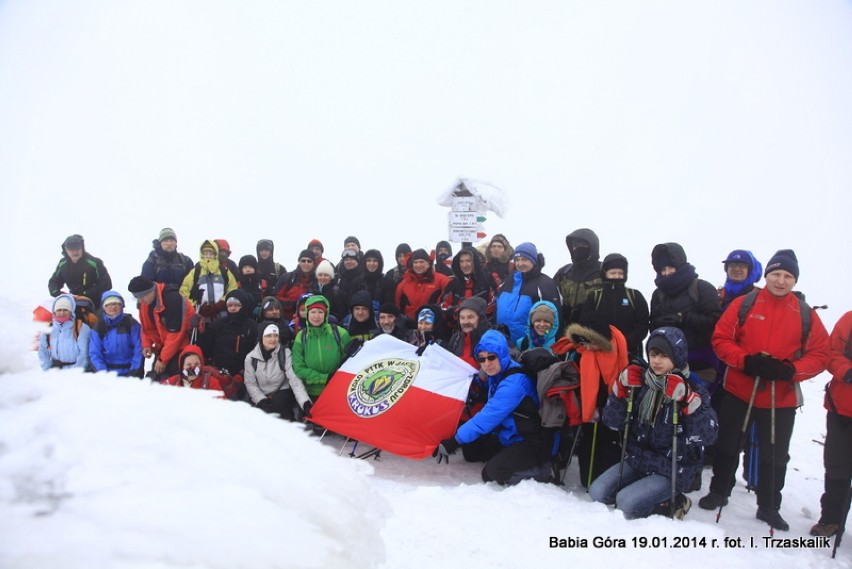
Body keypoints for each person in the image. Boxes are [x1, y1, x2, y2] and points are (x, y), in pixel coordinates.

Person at [698, 249, 830, 531]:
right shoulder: (745, 303)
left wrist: (790, 371)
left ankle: (769, 505)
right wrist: (745, 360)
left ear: (794, 280)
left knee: (775, 453)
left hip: (780, 396)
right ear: (767, 275)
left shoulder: (804, 313)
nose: (781, 281)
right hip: (740, 388)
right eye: (776, 274)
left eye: (787, 276)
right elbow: (721, 338)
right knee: (728, 443)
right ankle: (719, 490)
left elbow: (821, 354)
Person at [589, 327, 718, 519]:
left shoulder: (692, 388)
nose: (656, 361)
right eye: (653, 354)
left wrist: (689, 403)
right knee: (597, 492)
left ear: (678, 357)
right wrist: (619, 391)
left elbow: (709, 435)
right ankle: (647, 493)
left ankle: (675, 502)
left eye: (664, 356)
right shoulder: (640, 383)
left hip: (673, 467)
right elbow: (612, 421)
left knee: (626, 504)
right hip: (638, 459)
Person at [433, 329, 549, 486]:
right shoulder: (499, 372)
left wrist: (454, 441)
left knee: (491, 473)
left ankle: (543, 471)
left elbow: (487, 417)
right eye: (481, 359)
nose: (486, 364)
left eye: (491, 357)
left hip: (531, 441)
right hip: (510, 434)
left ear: (501, 354)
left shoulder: (514, 384)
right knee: (472, 452)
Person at [552, 311, 629, 488]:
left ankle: (606, 480)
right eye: (584, 342)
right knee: (588, 441)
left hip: (610, 402)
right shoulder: (582, 352)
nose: (587, 347)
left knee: (608, 443)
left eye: (592, 342)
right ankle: (589, 479)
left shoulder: (616, 345)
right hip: (587, 404)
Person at [649, 242, 722, 385]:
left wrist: (684, 318)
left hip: (701, 367)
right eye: (662, 269)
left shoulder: (702, 288)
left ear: (680, 265)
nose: (667, 272)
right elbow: (652, 326)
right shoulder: (658, 294)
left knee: (699, 405)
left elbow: (716, 322)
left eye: (671, 267)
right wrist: (662, 324)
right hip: (666, 367)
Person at [810, 310, 852, 537]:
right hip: (843, 408)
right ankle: (831, 519)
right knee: (837, 466)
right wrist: (847, 371)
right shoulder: (850, 319)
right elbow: (832, 352)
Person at [576, 253, 649, 358]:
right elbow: (585, 322)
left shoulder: (634, 296)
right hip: (601, 352)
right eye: (613, 273)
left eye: (620, 273)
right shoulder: (595, 296)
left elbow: (643, 324)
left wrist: (625, 342)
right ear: (605, 273)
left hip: (630, 353)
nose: (617, 276)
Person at [129, 275, 196, 381]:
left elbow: (176, 335)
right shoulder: (145, 302)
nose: (141, 301)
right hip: (165, 345)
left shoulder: (173, 299)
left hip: (183, 343)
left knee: (171, 376)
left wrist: (162, 359)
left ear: (151, 290)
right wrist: (147, 344)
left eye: (143, 296)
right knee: (156, 375)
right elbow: (147, 327)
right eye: (138, 297)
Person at [495, 241, 560, 344]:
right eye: (517, 260)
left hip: (530, 345)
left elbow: (554, 319)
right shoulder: (509, 280)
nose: (520, 264)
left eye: (524, 259)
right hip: (503, 342)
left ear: (533, 261)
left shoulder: (545, 284)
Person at [244, 322, 312, 421]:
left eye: (275, 335)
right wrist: (262, 401)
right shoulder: (251, 358)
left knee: (279, 403)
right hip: (261, 396)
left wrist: (305, 403)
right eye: (268, 336)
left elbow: (294, 380)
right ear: (261, 337)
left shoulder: (284, 353)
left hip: (281, 394)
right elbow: (250, 384)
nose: (273, 339)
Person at [291, 295, 351, 400]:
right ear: (307, 313)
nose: (316, 316)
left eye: (320, 312)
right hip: (311, 392)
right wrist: (324, 378)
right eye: (313, 312)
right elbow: (298, 367)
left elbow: (350, 359)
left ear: (326, 314)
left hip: (337, 389)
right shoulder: (301, 336)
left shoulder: (339, 333)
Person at [197, 289, 257, 379]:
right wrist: (201, 333)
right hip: (219, 373)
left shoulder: (252, 326)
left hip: (244, 374)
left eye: (237, 305)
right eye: (230, 305)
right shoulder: (218, 325)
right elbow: (205, 349)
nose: (233, 308)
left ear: (243, 306)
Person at [179, 240, 239, 322]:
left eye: (211, 253)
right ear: (202, 254)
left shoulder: (224, 271)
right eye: (205, 253)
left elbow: (233, 288)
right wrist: (194, 305)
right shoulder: (196, 271)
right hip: (200, 313)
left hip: (221, 312)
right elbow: (184, 290)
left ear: (215, 254)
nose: (208, 256)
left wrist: (222, 303)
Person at [553, 228, 602, 327]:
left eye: (583, 245)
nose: (578, 249)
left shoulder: (604, 271)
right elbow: (550, 300)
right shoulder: (563, 273)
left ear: (592, 247)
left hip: (596, 333)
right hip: (566, 332)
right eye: (575, 246)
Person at [48, 234, 112, 309]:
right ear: (66, 250)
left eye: (77, 249)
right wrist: (58, 293)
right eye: (71, 250)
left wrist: (86, 294)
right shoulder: (63, 264)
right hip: (73, 300)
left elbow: (107, 284)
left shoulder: (94, 262)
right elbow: (54, 281)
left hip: (94, 302)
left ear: (82, 248)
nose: (75, 252)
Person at [88, 291, 144, 377]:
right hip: (108, 375)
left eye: (116, 304)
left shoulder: (131, 323)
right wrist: (103, 374)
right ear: (104, 307)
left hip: (130, 373)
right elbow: (95, 353)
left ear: (122, 306)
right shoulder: (98, 327)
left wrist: (134, 371)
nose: (113, 307)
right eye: (109, 304)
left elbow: (139, 349)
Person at [441, 246, 497, 327]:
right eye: (461, 261)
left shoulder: (488, 279)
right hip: (458, 329)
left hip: (483, 328)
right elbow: (443, 306)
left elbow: (495, 303)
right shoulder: (453, 283)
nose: (464, 265)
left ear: (475, 261)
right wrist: (459, 312)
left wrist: (474, 313)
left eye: (468, 261)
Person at [38, 294, 92, 371]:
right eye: (59, 310)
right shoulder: (48, 329)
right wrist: (48, 370)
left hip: (76, 373)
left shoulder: (81, 328)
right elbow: (43, 351)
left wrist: (74, 372)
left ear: (71, 311)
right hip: (55, 371)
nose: (62, 313)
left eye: (65, 310)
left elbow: (85, 354)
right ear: (54, 312)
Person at [395, 248, 451, 320]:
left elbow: (450, 298)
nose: (418, 265)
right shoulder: (404, 283)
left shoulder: (441, 280)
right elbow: (398, 305)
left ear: (428, 263)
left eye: (422, 262)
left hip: (433, 324)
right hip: (410, 325)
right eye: (415, 262)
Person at [273, 249, 319, 321]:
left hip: (311, 320)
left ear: (314, 263)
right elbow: (275, 298)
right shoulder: (287, 278)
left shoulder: (318, 280)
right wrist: (294, 304)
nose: (306, 263)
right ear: (299, 262)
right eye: (303, 261)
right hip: (286, 320)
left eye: (309, 261)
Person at [161, 345, 226, 393]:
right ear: (182, 366)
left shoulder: (211, 383)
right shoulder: (173, 381)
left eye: (196, 364)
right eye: (188, 365)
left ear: (201, 364)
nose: (193, 369)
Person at [447, 296, 490, 369]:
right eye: (462, 318)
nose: (465, 322)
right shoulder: (456, 339)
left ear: (481, 318)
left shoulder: (492, 339)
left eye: (470, 317)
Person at [334, 249, 367, 321]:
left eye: (352, 259)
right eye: (346, 260)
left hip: (359, 315)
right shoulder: (339, 278)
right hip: (341, 315)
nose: (349, 262)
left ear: (357, 261)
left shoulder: (364, 277)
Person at [362, 248, 385, 314]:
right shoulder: (358, 282)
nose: (371, 263)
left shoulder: (386, 282)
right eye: (368, 261)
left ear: (380, 263)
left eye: (375, 261)